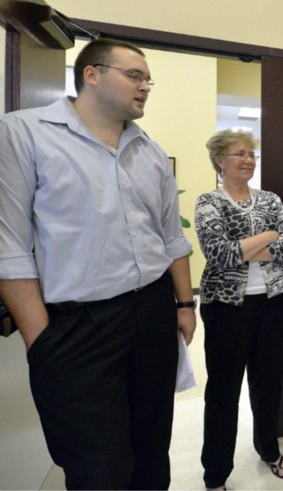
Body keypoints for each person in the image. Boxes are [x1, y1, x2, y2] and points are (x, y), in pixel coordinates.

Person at [0, 38, 195, 489]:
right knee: (97, 465)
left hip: (151, 313)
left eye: (149, 80)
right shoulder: (24, 133)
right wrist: (41, 340)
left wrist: (184, 304)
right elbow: (9, 246)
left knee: (151, 448)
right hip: (77, 324)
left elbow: (171, 237)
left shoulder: (148, 150)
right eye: (135, 75)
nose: (145, 86)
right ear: (91, 74)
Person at [195, 128, 283, 490]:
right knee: (223, 389)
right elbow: (219, 255)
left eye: (252, 153)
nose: (248, 159)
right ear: (221, 160)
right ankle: (216, 473)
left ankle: (268, 449)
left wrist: (247, 246)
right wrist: (268, 236)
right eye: (240, 153)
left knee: (268, 381)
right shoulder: (210, 201)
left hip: (271, 302)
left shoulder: (269, 199)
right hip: (226, 307)